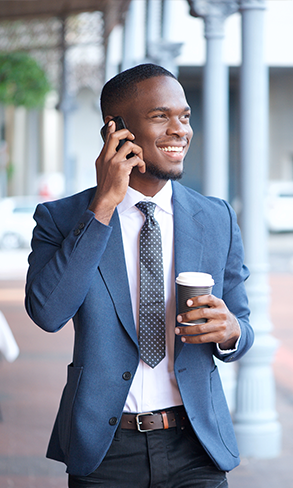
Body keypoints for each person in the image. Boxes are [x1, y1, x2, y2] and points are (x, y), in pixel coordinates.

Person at [25, 63, 254, 488]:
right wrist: (103, 207)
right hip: (106, 451)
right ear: (116, 130)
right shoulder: (61, 219)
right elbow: (48, 312)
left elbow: (242, 326)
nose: (179, 130)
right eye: (159, 116)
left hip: (196, 448)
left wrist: (232, 331)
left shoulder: (215, 218)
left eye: (184, 116)